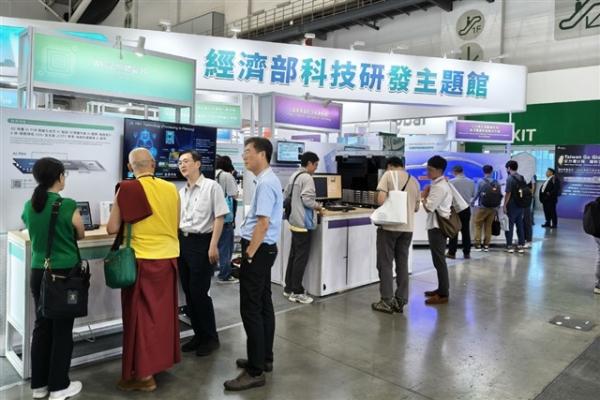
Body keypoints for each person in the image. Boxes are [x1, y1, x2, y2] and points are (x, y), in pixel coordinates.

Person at [107, 148, 181, 392]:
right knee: (162, 317)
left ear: (130, 168)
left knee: (139, 318)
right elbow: (176, 223)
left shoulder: (126, 189)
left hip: (141, 260)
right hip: (168, 259)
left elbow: (112, 228)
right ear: (153, 164)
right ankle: (158, 364)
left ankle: (144, 376)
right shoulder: (171, 189)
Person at [22, 158, 84, 400]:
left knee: (42, 326)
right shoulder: (66, 204)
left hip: (38, 272)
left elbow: (31, 228)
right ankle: (59, 387)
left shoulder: (30, 205)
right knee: (62, 330)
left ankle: (39, 386)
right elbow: (80, 233)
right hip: (64, 275)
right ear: (59, 177)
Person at [224, 137, 283, 391]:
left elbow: (263, 224)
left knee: (251, 308)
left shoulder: (266, 183)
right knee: (263, 304)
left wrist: (248, 254)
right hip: (265, 250)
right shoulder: (266, 180)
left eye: (248, 151)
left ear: (262, 154)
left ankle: (255, 371)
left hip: (258, 251)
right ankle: (264, 358)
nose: (244, 156)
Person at [177, 150, 230, 356]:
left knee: (200, 293)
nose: (182, 165)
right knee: (189, 293)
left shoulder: (211, 186)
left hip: (202, 243)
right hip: (183, 242)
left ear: (198, 164)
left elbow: (219, 217)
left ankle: (210, 338)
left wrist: (213, 245)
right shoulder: (181, 192)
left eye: (186, 161)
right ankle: (198, 335)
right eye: (180, 163)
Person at [372, 156, 420, 314]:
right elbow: (416, 208)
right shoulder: (414, 180)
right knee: (402, 263)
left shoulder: (388, 175)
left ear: (390, 166)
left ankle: (386, 300)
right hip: (407, 228)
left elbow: (380, 200)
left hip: (389, 227)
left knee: (385, 263)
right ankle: (401, 300)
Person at [283, 151, 322, 305]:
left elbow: (286, 195)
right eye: (316, 165)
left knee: (294, 256)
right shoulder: (307, 178)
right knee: (301, 258)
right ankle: (297, 292)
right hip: (303, 223)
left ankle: (289, 287)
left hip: (294, 221)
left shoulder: (294, 176)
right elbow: (307, 200)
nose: (316, 168)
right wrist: (318, 206)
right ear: (309, 163)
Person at [421, 155, 453, 305]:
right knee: (438, 260)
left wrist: (423, 196)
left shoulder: (439, 187)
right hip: (438, 226)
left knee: (439, 261)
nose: (428, 172)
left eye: (430, 170)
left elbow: (429, 208)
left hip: (437, 227)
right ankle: (441, 289)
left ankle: (443, 294)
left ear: (439, 170)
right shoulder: (440, 184)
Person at [215, 155, 239, 283]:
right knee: (226, 247)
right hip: (224, 217)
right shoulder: (226, 176)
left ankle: (214, 270)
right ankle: (224, 275)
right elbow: (234, 194)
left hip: (212, 217)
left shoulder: (210, 174)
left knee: (214, 245)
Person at [447, 165, 475, 259]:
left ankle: (452, 252)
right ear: (462, 171)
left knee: (453, 230)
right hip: (466, 208)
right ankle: (467, 253)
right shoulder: (471, 182)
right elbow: (473, 195)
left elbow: (448, 196)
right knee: (466, 231)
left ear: (454, 171)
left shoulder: (451, 182)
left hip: (455, 209)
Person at [471, 165, 501, 252]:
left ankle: (477, 245)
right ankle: (486, 245)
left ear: (483, 171)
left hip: (483, 207)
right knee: (488, 226)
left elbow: (477, 193)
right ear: (491, 171)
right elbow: (499, 195)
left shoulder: (481, 181)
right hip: (493, 208)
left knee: (478, 225)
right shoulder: (496, 182)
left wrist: (473, 201)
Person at [503, 160, 527, 254]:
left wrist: (504, 205)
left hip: (512, 205)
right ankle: (521, 245)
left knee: (509, 225)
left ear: (509, 168)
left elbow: (508, 193)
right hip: (521, 204)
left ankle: (509, 246)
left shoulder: (510, 178)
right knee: (520, 225)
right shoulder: (521, 177)